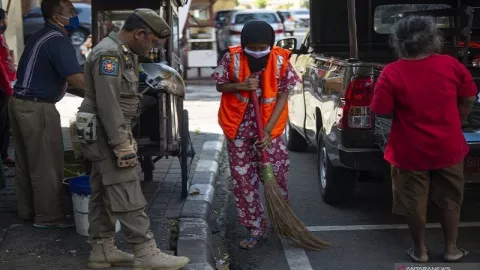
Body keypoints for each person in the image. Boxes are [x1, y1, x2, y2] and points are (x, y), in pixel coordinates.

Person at [77, 8, 190, 269]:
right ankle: (145, 251)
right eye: (151, 41)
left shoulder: (120, 51)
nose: (152, 47)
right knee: (126, 187)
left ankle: (102, 250)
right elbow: (108, 104)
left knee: (103, 191)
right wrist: (121, 144)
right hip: (108, 132)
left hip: (107, 129)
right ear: (139, 34)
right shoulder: (110, 53)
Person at [371, 16, 478, 263]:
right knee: (451, 198)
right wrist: (456, 121)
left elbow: (381, 109)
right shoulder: (450, 65)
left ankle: (420, 251)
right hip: (448, 146)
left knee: (413, 202)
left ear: (398, 42)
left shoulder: (391, 72)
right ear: (433, 39)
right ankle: (452, 249)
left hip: (408, 150)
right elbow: (470, 97)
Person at [212, 21, 300, 249]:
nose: (258, 51)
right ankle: (255, 228)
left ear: (271, 44)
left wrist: (269, 131)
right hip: (239, 129)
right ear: (244, 44)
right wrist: (241, 85)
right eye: (253, 47)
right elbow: (220, 85)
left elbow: (282, 95)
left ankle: (282, 224)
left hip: (268, 131)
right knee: (243, 182)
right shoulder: (231, 58)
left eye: (263, 47)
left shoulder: (281, 60)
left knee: (276, 177)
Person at [9, 0, 85, 227]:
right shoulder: (57, 40)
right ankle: (48, 217)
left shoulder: (41, 35)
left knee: (28, 163)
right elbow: (75, 78)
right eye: (70, 11)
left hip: (21, 103)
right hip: (37, 108)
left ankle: (29, 212)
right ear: (56, 15)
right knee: (47, 165)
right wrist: (104, 93)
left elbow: (62, 78)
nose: (74, 15)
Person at [0, 8, 15, 167]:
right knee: (2, 123)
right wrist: (8, 87)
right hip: (2, 88)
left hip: (6, 85)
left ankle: (4, 155)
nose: (6, 22)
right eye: (5, 19)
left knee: (5, 124)